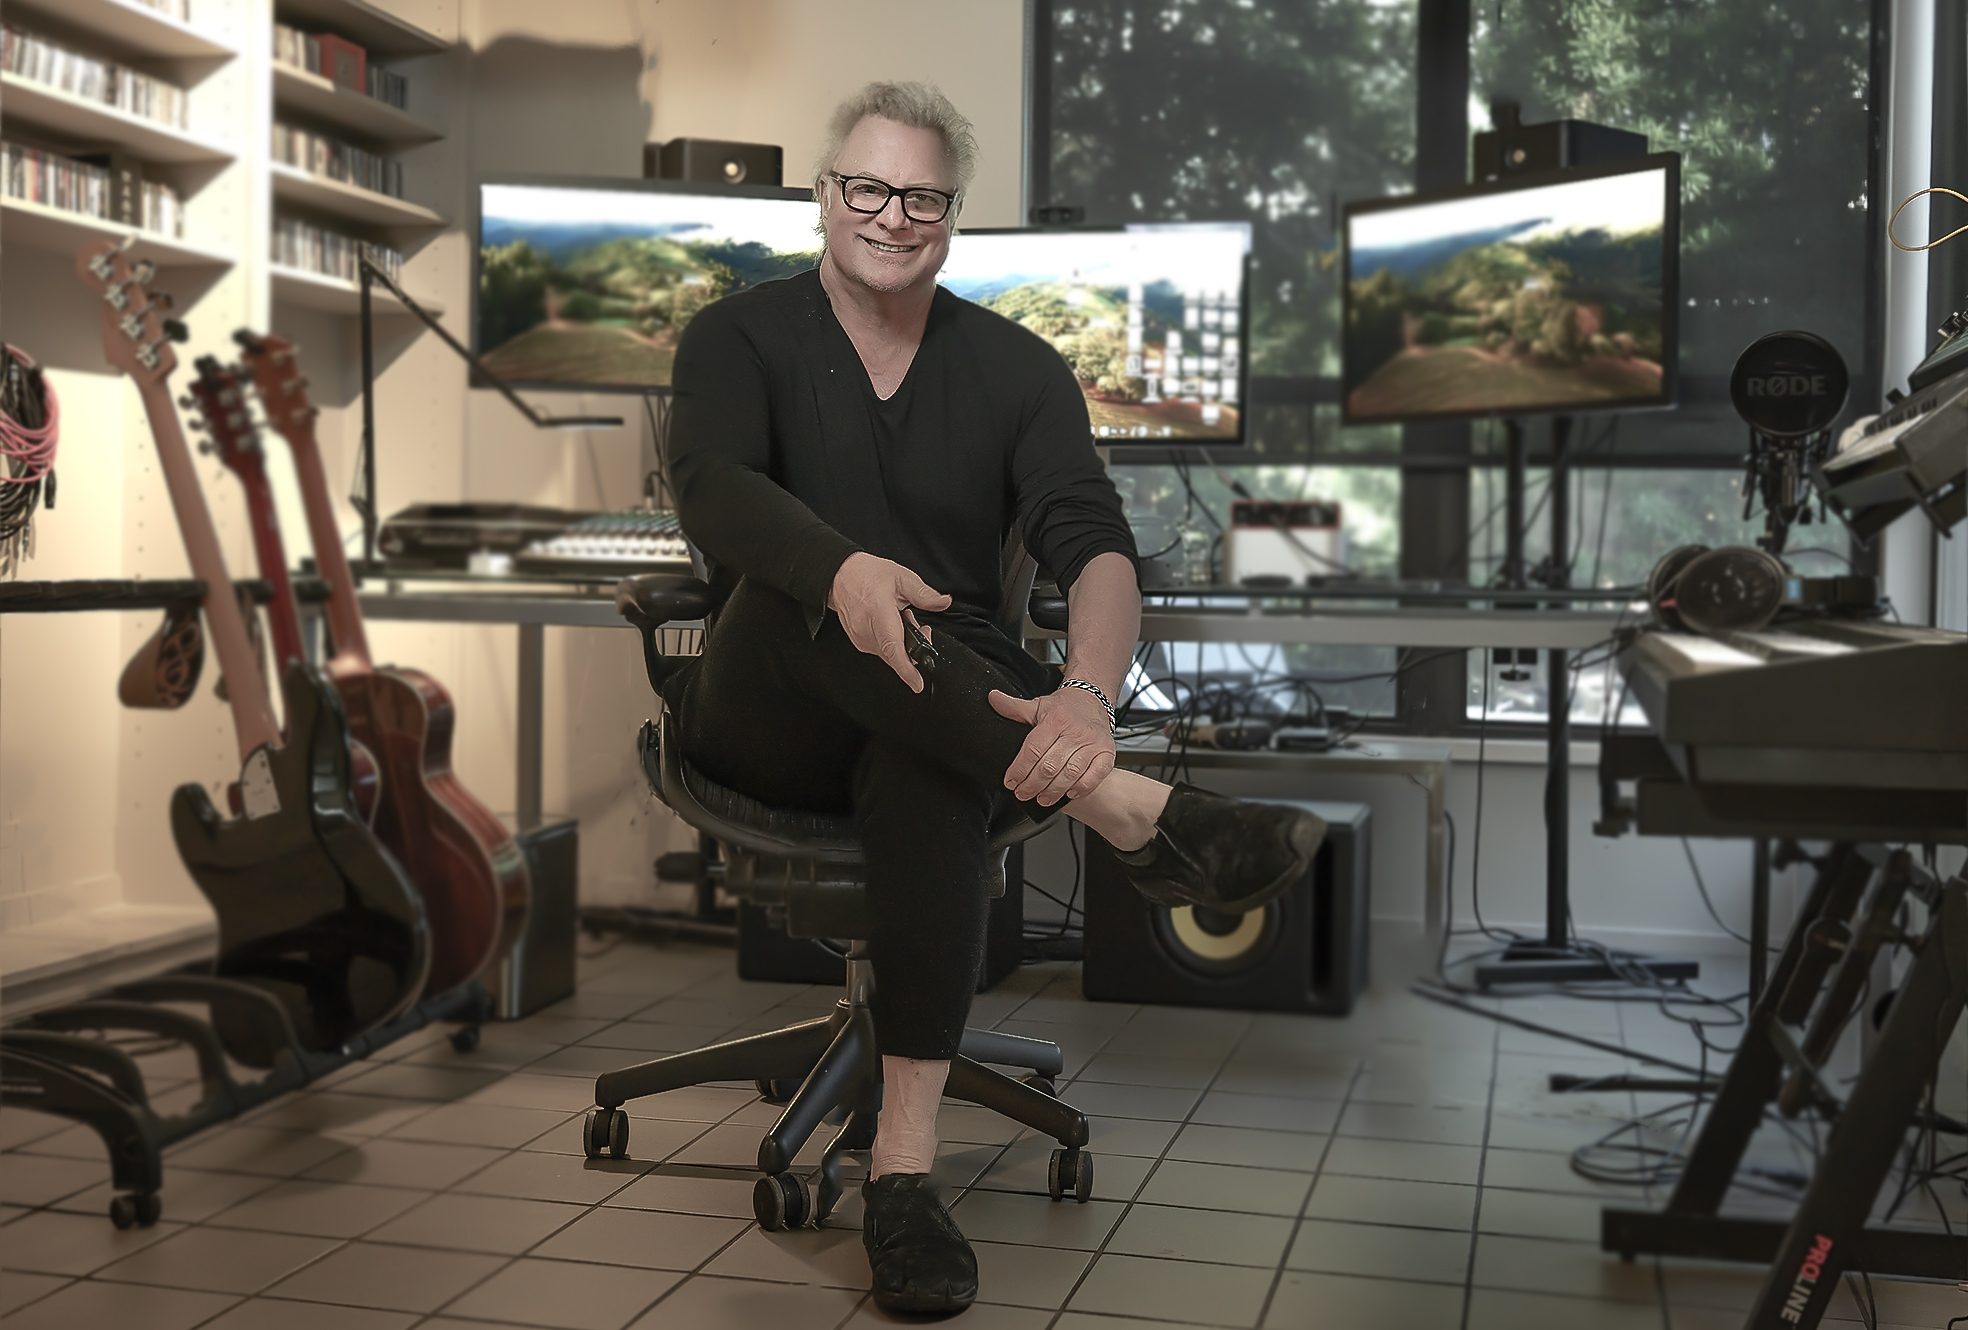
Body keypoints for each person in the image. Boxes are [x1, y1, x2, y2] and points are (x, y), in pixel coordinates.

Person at [661, 80, 1327, 1316]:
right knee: (817, 594)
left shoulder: (1017, 369)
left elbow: (1097, 543)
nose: (892, 216)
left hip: (941, 714)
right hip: (764, 705)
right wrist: (845, 570)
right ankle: (1134, 809)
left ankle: (903, 1179)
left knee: (929, 759)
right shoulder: (735, 338)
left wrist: (1085, 694)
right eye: (867, 187)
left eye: (922, 196)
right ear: (825, 195)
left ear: (953, 215)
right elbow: (709, 487)